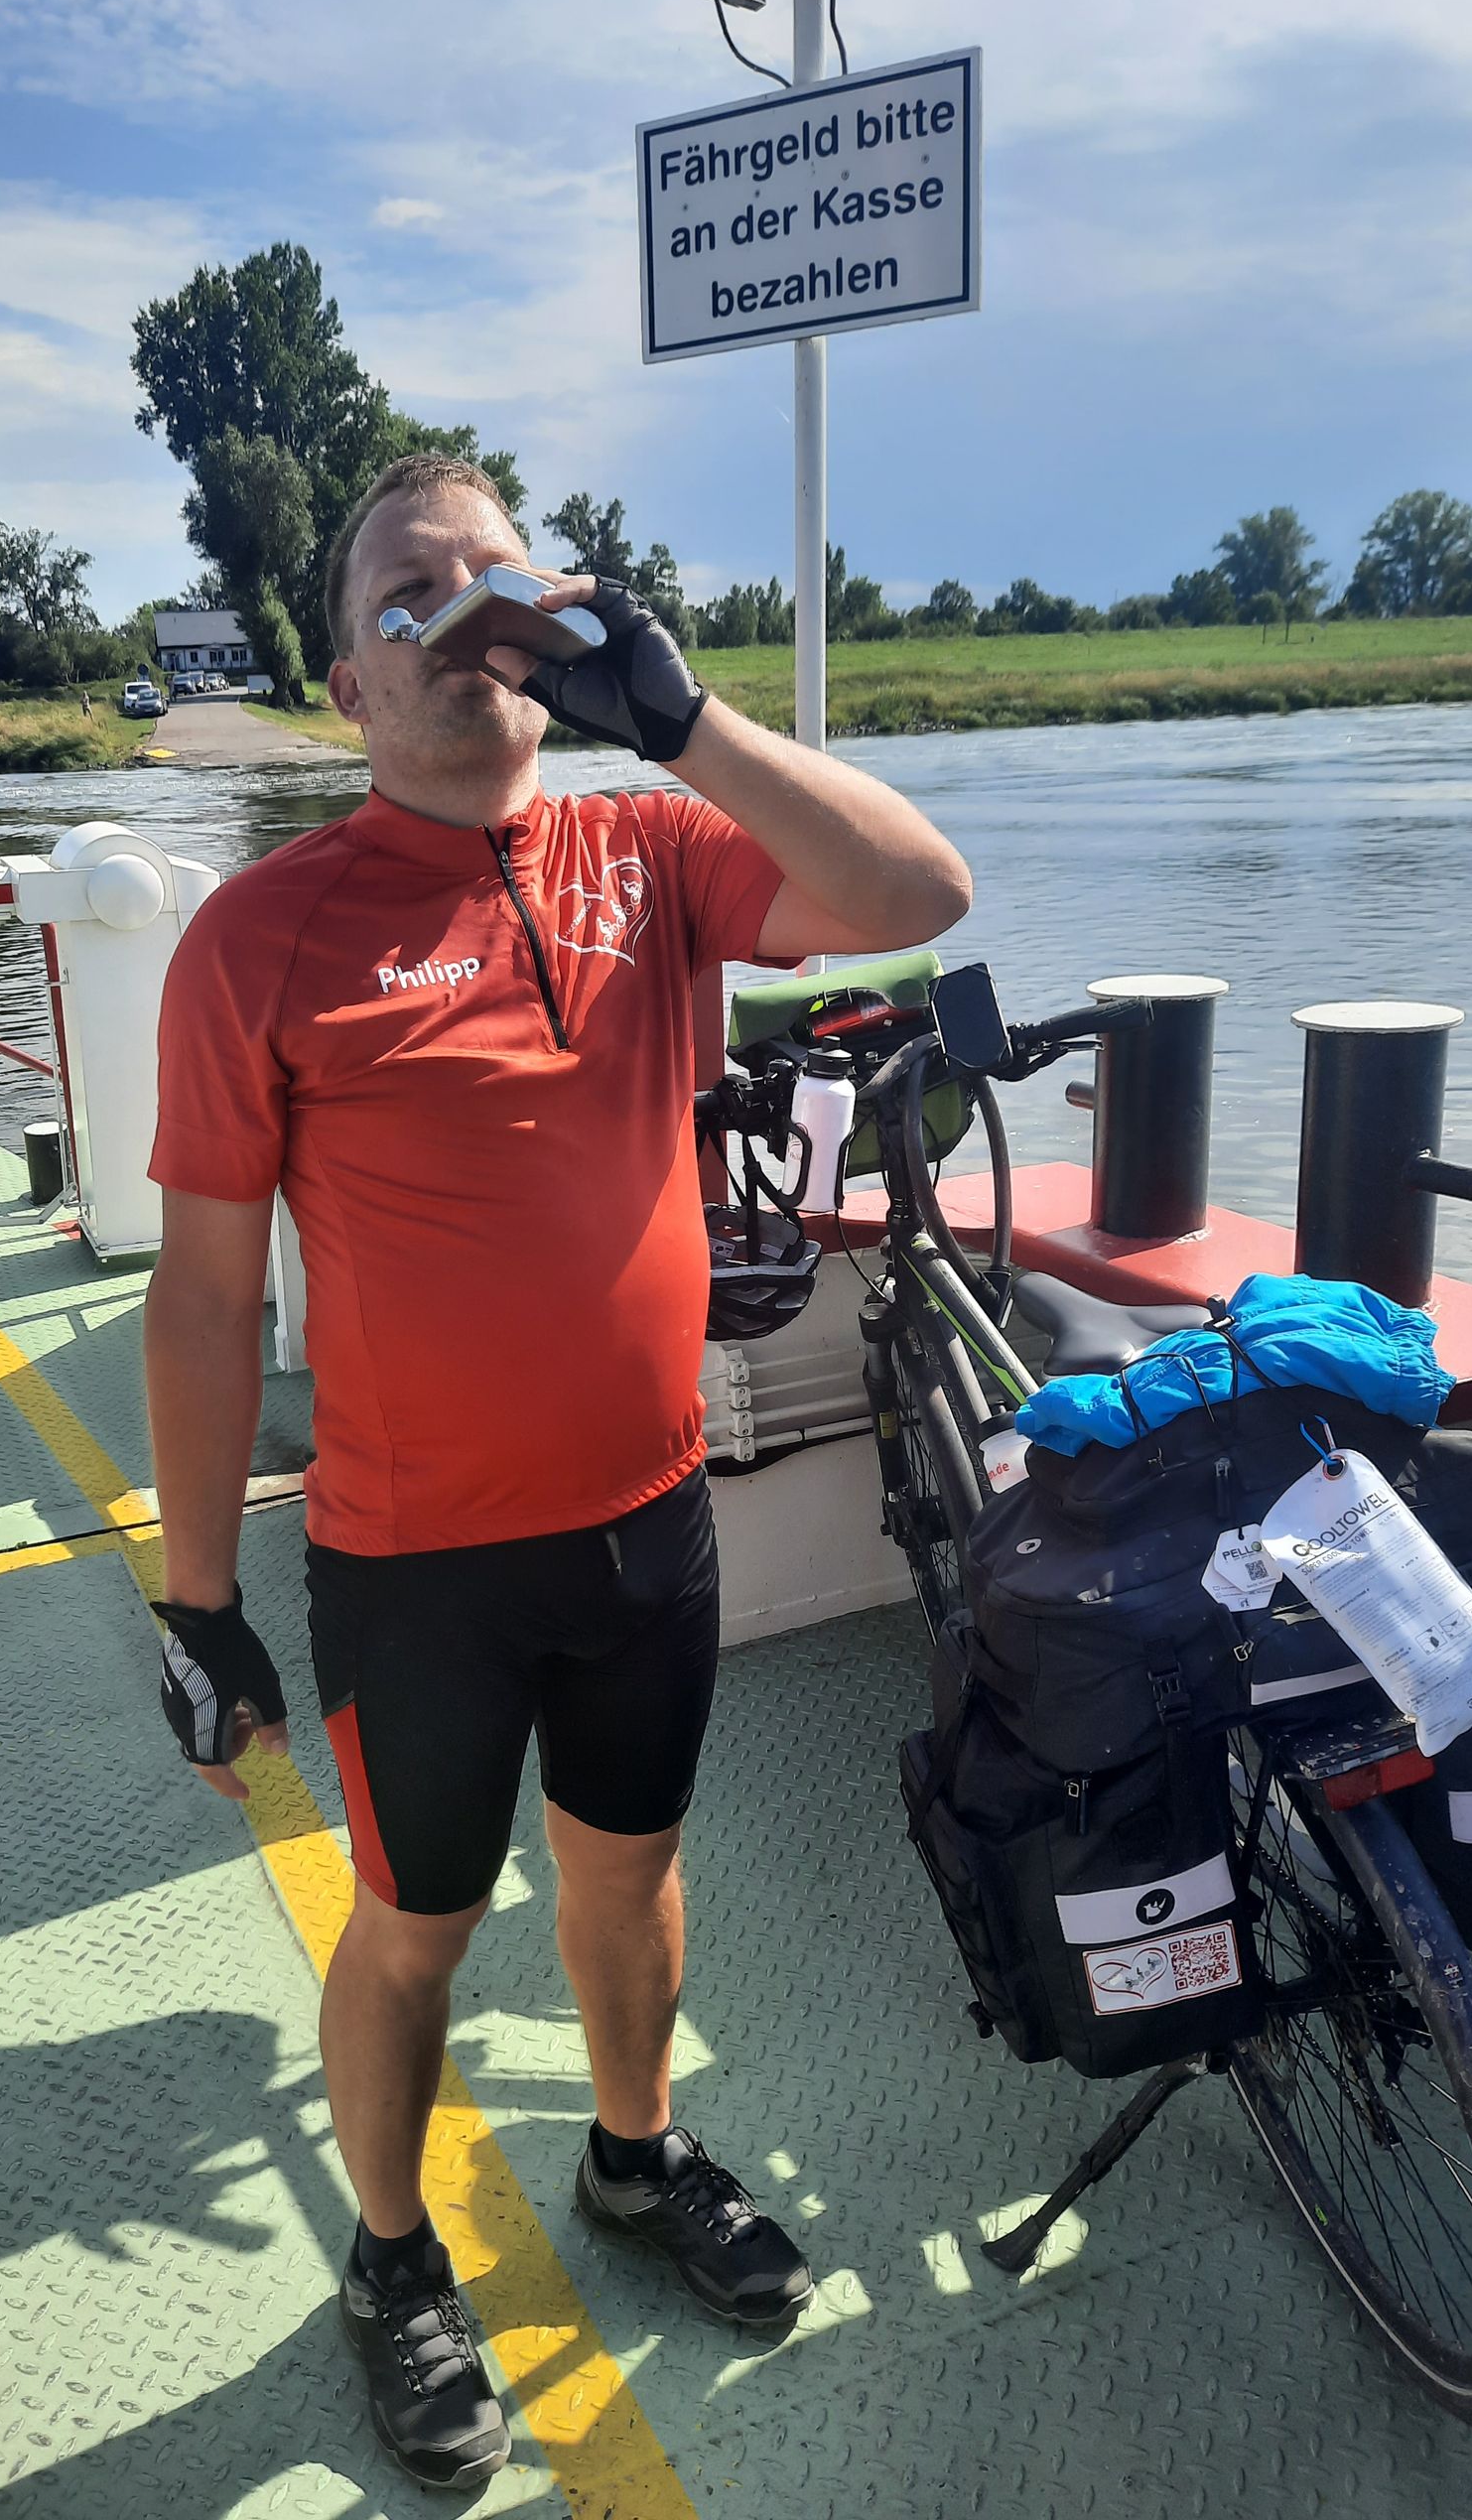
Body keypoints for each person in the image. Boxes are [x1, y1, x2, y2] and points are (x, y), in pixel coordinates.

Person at [144, 454, 971, 2489]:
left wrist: (684, 722)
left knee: (627, 1879)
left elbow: (919, 899)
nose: (461, 614)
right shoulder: (259, 938)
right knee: (413, 1927)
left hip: (647, 1527)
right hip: (415, 1566)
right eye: (407, 594)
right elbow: (203, 1294)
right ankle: (394, 2258)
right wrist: (194, 1602)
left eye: (494, 577)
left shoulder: (652, 852)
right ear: (348, 686)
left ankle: (632, 2155)